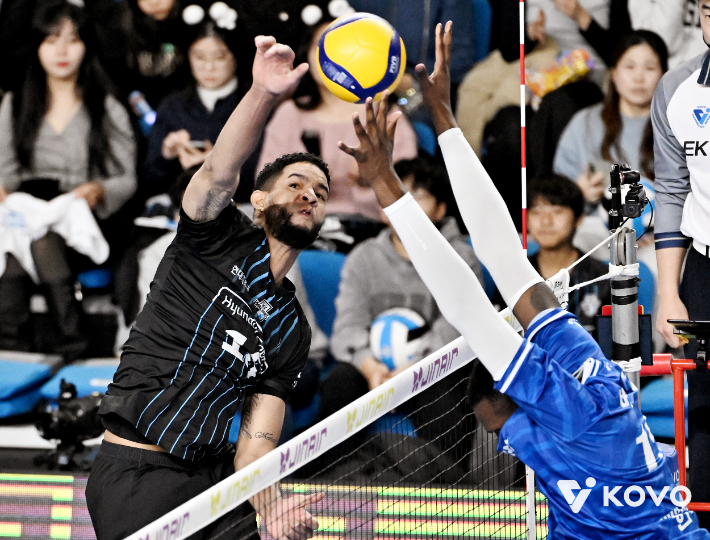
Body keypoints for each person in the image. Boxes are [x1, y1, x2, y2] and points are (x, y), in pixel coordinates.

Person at [339, 21, 710, 538]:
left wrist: (385, 182)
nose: (498, 435)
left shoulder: (578, 415)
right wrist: (445, 119)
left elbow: (470, 308)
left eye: (493, 427)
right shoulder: (590, 373)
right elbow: (507, 264)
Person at [85, 35, 324, 540]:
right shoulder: (212, 239)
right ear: (258, 200)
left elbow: (255, 445)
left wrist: (273, 508)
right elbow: (217, 172)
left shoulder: (292, 329)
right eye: (296, 184)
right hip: (139, 471)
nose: (310, 195)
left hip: (214, 481)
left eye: (320, 193)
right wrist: (261, 92)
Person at [319, 156, 481, 468]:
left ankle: (446, 486)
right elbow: (348, 326)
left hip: (434, 368)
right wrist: (370, 367)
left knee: (447, 394)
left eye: (417, 195)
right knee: (340, 383)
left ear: (441, 208)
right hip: (374, 367)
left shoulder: (460, 258)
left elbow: (456, 326)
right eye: (396, 194)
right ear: (382, 209)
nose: (405, 203)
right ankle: (332, 480)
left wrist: (413, 371)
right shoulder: (364, 257)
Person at [0, 0, 137, 359]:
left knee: (41, 241)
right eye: (51, 40)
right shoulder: (15, 103)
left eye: (72, 40)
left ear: (87, 46)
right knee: (13, 246)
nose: (61, 51)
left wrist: (100, 189)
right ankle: (12, 352)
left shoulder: (106, 106)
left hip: (84, 218)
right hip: (30, 208)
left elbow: (127, 178)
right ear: (37, 46)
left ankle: (73, 344)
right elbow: (6, 173)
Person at [257, 21, 417, 231]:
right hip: (295, 227)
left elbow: (408, 200)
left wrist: (368, 182)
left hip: (368, 229)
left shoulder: (384, 115)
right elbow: (265, 189)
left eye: (337, 47)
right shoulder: (289, 113)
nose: (327, 57)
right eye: (320, 47)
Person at [651, 0, 710, 529]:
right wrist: (668, 290)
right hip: (704, 272)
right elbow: (671, 191)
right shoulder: (675, 89)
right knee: (706, 408)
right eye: (709, 10)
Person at [144, 16, 244, 196]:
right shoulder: (173, 106)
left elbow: (269, 175)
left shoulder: (254, 105)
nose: (209, 67)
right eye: (199, 57)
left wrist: (220, 164)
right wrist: (166, 155)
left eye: (219, 57)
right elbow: (150, 180)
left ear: (236, 55)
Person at [497, 175, 611, 332]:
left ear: (578, 219)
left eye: (557, 211)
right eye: (536, 212)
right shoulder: (513, 277)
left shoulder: (601, 278)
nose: (546, 221)